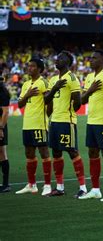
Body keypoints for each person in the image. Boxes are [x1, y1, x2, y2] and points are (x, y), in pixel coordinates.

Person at [44, 51, 86, 198]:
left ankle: (83, 187)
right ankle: (60, 187)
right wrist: (55, 88)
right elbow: (46, 99)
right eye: (57, 57)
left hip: (66, 122)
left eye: (61, 58)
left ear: (68, 62)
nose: (57, 59)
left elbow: (78, 102)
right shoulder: (53, 79)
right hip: (54, 121)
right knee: (56, 153)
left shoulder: (72, 78)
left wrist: (69, 113)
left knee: (72, 151)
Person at [78, 50, 103, 202]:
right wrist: (90, 90)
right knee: (92, 154)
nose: (91, 60)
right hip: (91, 122)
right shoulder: (89, 77)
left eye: (94, 58)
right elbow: (82, 100)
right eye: (90, 58)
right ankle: (95, 190)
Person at [15, 58, 52, 196]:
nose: (29, 68)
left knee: (44, 152)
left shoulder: (43, 83)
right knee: (29, 154)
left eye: (32, 66)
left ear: (39, 69)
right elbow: (19, 104)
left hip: (39, 124)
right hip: (27, 124)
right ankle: (32, 185)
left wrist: (45, 117)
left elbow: (50, 102)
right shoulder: (25, 85)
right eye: (28, 65)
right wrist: (28, 94)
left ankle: (47, 185)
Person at [0, 76, 10, 193]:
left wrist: (1, 128)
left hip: (0, 125)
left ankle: (6, 184)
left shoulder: (2, 91)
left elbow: (6, 112)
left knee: (2, 153)